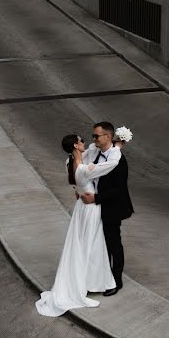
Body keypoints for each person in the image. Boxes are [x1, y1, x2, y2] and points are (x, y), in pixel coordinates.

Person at [35, 134, 122, 317]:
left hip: (80, 208)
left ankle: (87, 281)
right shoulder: (84, 169)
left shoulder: (69, 164)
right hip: (91, 209)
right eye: (81, 140)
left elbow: (90, 150)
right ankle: (87, 283)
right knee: (92, 245)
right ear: (76, 144)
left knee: (81, 245)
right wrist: (117, 147)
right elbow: (111, 164)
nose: (86, 143)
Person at [79, 121, 134, 296]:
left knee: (113, 243)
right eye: (93, 135)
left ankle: (116, 280)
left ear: (108, 136)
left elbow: (118, 189)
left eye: (96, 136)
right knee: (98, 244)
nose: (93, 139)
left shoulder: (119, 160)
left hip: (111, 207)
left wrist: (96, 198)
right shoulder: (95, 153)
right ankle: (98, 277)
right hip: (94, 209)